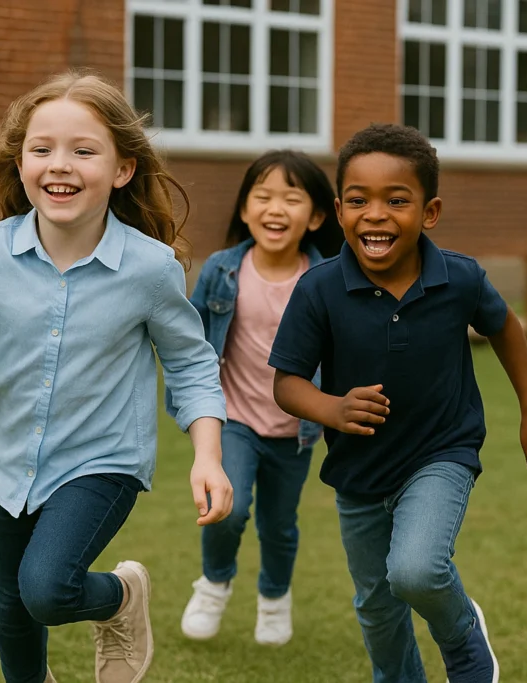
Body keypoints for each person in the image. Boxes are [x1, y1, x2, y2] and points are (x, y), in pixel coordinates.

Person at [0, 70, 234, 683]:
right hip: (6, 456)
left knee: (45, 589)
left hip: (103, 460)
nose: (58, 164)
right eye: (41, 149)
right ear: (21, 164)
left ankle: (121, 598)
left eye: (83, 150)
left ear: (122, 169)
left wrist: (208, 455)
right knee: (11, 606)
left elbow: (191, 363)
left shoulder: (149, 269)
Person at [268, 123, 527, 683]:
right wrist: (332, 409)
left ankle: (462, 636)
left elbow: (505, 328)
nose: (376, 214)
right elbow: (287, 383)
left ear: (429, 212)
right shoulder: (319, 288)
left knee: (417, 571)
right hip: (359, 470)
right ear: (338, 211)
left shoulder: (460, 278)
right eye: (359, 201)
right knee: (377, 607)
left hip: (440, 452)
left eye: (396, 201)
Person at [172, 150, 343, 646]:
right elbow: (192, 344)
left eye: (292, 199)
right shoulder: (223, 270)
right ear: (245, 209)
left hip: (297, 427)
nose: (275, 208)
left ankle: (274, 599)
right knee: (230, 507)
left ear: (314, 216)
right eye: (262, 196)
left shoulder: (329, 278)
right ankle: (214, 583)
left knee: (279, 524)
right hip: (235, 419)